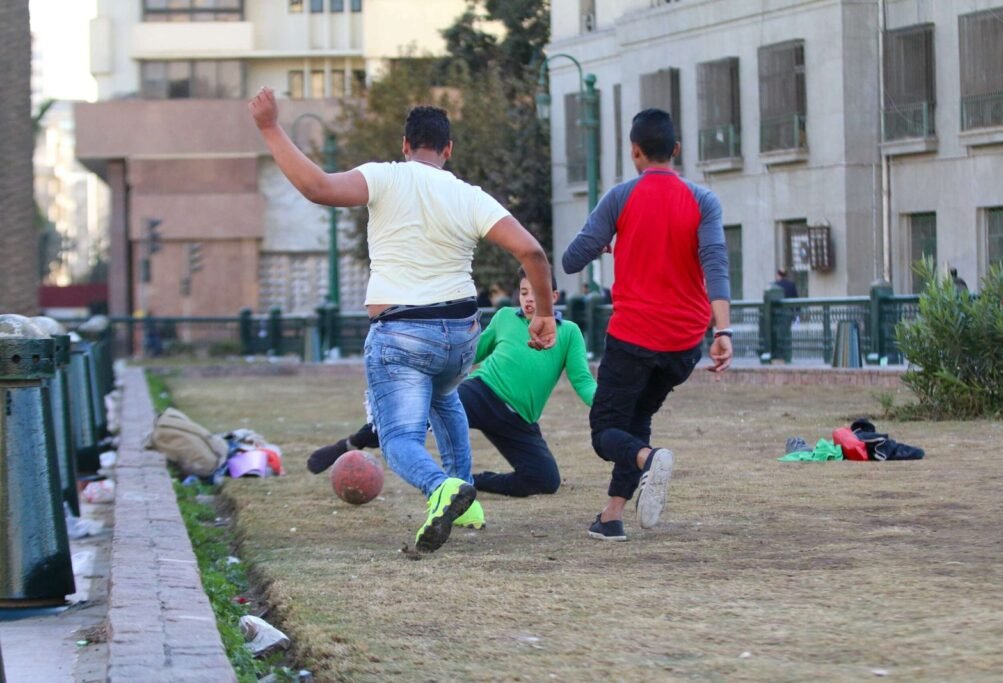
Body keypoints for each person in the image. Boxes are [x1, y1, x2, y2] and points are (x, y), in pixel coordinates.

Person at [249, 89, 556, 553]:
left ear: (404, 145)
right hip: (460, 336)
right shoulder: (468, 195)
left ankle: (442, 488)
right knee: (445, 395)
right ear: (448, 151)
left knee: (397, 438)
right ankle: (467, 497)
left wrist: (271, 127)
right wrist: (546, 316)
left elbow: (317, 187)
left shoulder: (385, 178)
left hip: (404, 334)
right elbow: (531, 251)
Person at [562, 108, 732, 542]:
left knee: (606, 433)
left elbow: (570, 260)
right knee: (636, 420)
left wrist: (605, 242)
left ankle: (651, 459)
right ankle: (612, 515)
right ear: (676, 150)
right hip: (684, 343)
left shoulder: (619, 198)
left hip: (634, 336)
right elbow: (716, 264)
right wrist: (723, 331)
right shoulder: (704, 201)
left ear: (634, 152)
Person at [307, 268, 596, 510]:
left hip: (520, 419)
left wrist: (604, 404)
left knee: (546, 481)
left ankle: (470, 482)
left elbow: (582, 381)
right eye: (523, 292)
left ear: (554, 296)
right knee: (414, 417)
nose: (529, 299)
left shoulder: (568, 332)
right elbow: (471, 353)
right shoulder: (506, 317)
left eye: (536, 293)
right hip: (482, 393)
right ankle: (349, 444)